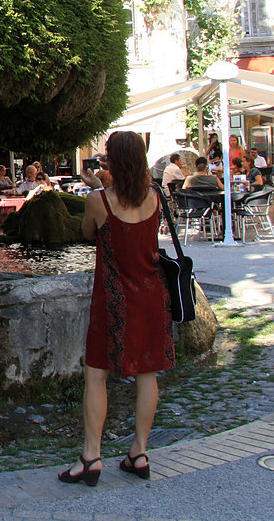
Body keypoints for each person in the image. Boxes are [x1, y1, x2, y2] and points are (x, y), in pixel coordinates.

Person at [58, 131, 172, 487]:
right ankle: (138, 452)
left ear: (113, 160)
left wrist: (95, 186)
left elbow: (88, 232)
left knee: (96, 374)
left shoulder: (98, 201)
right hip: (152, 295)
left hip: (113, 296)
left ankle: (91, 456)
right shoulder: (156, 196)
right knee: (147, 374)